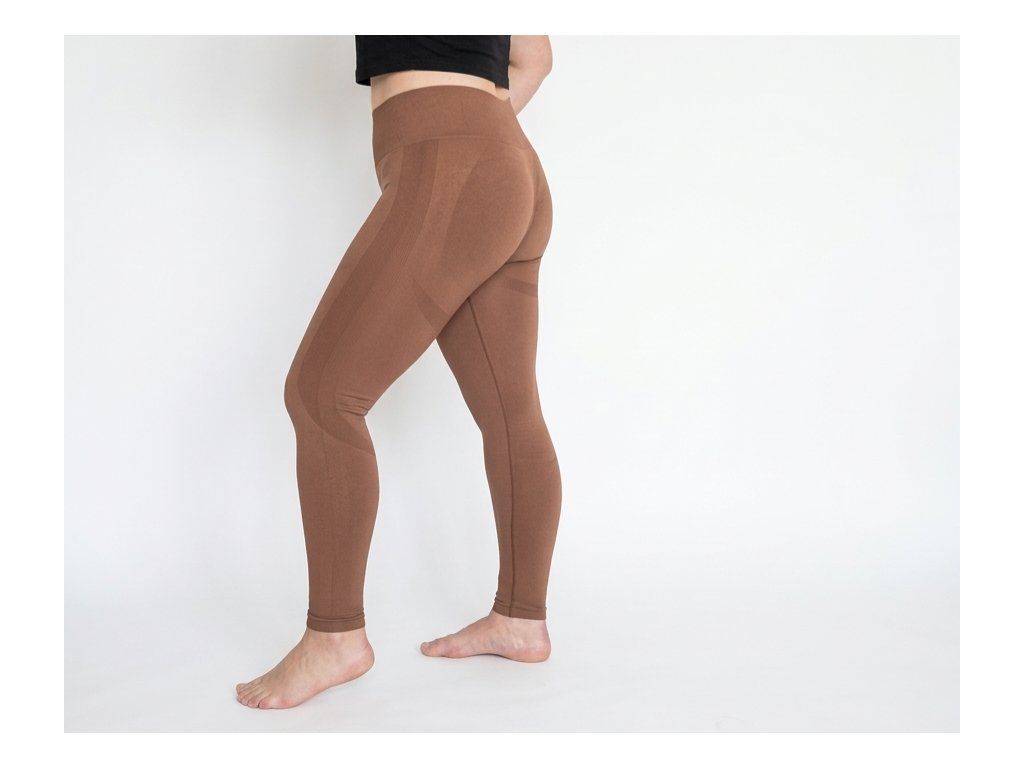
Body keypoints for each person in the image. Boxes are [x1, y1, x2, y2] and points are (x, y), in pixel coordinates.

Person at [236, 36, 561, 709]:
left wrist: (458, 145)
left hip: (453, 158)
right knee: (511, 411)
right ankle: (521, 620)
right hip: (508, 163)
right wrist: (482, 139)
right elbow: (535, 58)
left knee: (322, 396)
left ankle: (334, 637)